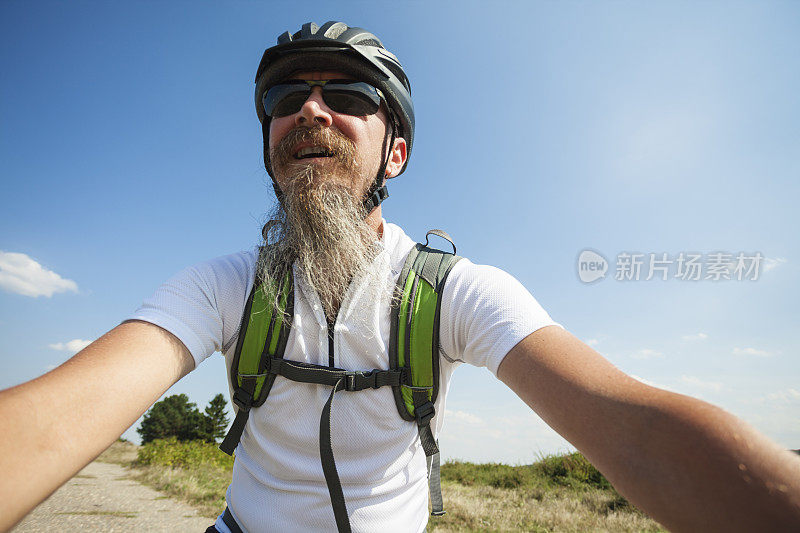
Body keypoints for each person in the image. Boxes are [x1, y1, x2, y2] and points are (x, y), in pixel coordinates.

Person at [1, 20, 799, 533]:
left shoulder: (451, 290)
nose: (310, 110)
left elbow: (634, 429)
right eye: (287, 96)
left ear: (396, 153)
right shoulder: (224, 285)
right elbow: (64, 413)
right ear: (270, 140)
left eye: (345, 94)